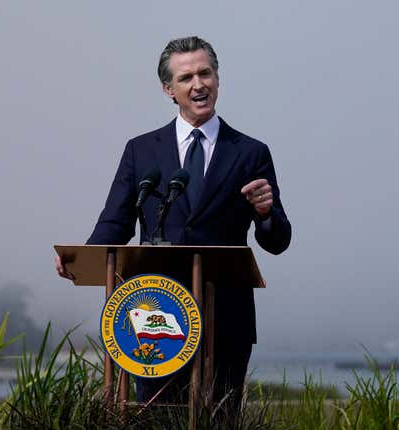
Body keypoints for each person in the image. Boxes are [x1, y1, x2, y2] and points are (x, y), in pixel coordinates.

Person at [55, 36, 291, 410]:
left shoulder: (250, 152)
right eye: (186, 78)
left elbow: (278, 240)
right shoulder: (141, 149)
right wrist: (82, 256)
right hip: (154, 310)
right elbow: (115, 222)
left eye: (205, 73)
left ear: (217, 78)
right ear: (169, 89)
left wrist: (265, 213)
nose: (199, 84)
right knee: (155, 417)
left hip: (225, 317)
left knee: (219, 418)